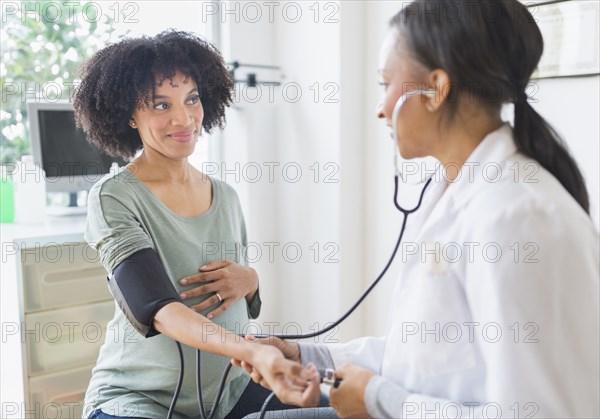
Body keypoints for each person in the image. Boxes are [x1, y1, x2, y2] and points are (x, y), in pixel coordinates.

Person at [237, 1, 600, 418]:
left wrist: (378, 401)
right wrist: (303, 354)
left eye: (385, 83)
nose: (380, 108)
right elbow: (423, 358)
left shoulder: (518, 219)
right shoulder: (453, 194)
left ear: (436, 89)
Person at [73, 30, 320, 419]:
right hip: (140, 399)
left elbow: (240, 303)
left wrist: (251, 280)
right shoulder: (114, 197)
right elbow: (156, 307)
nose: (183, 118)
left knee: (348, 408)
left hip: (230, 391)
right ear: (128, 115)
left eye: (191, 99)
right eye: (160, 105)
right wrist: (253, 350)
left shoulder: (225, 196)